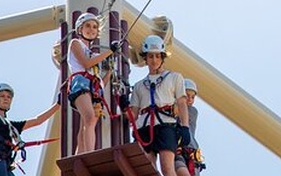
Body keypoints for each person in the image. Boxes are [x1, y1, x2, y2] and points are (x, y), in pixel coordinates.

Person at [128, 35, 192, 176]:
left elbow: (182, 103)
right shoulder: (139, 86)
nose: (154, 60)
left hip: (166, 126)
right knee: (147, 170)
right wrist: (124, 105)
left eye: (157, 56)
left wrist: (185, 127)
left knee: (167, 168)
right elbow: (133, 114)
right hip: (144, 128)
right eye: (150, 56)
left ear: (162, 57)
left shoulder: (174, 77)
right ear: (145, 58)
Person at [0, 83, 59, 176]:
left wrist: (58, 104)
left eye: (9, 97)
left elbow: (37, 121)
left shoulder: (11, 126)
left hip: (4, 162)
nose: (6, 99)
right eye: (2, 96)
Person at [68, 12, 118, 154]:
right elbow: (86, 63)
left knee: (87, 123)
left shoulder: (94, 55)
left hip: (93, 88)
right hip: (81, 84)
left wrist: (110, 71)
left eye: (95, 27)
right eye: (88, 26)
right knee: (89, 118)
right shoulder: (75, 43)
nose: (91, 29)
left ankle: (80, 154)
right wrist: (109, 52)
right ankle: (90, 153)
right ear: (80, 29)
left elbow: (100, 82)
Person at [175, 79, 205, 176]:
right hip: (178, 149)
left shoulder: (192, 111)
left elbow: (180, 112)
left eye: (192, 97)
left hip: (190, 151)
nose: (190, 100)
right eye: (187, 96)